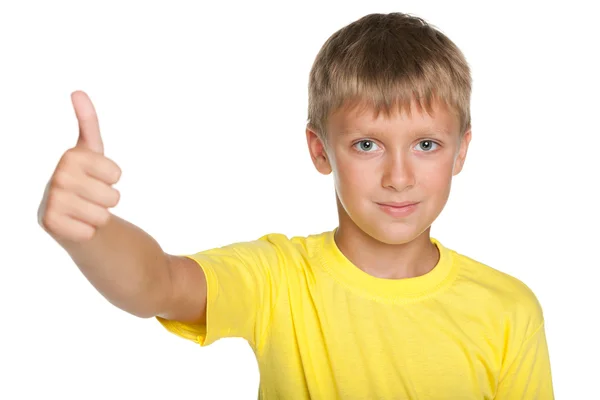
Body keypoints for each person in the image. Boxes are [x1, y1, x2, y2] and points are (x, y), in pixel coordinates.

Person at [37, 12, 554, 399]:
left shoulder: (508, 310)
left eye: (426, 145)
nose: (399, 178)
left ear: (461, 150)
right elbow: (159, 284)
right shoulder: (278, 279)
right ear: (319, 150)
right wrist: (90, 232)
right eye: (367, 145)